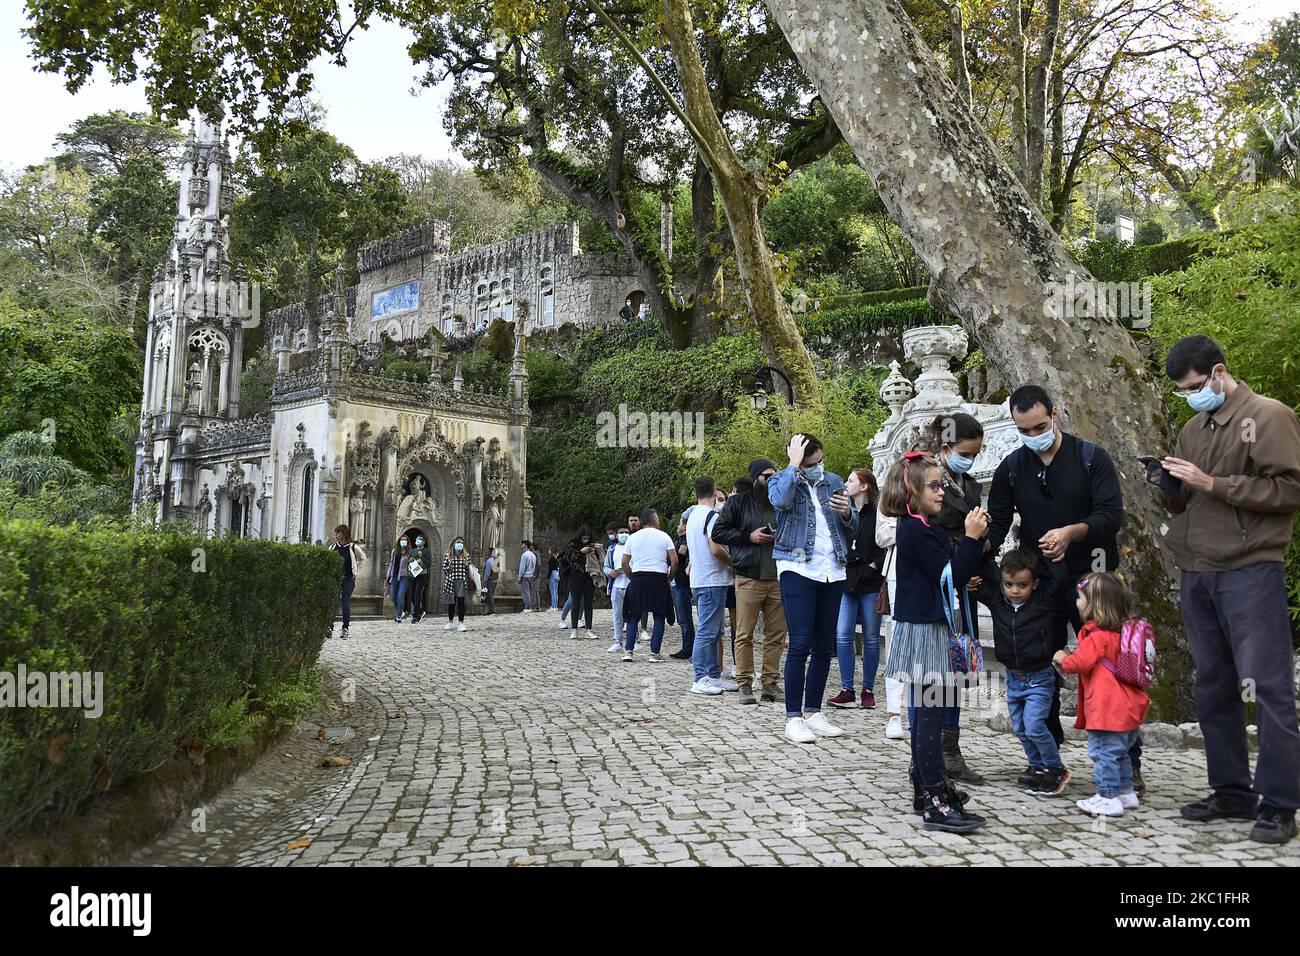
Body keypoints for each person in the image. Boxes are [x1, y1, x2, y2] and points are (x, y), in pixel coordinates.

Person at [1155, 334, 1300, 843]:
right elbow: (1185, 500)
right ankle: (1232, 791)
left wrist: (1212, 483)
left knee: (1266, 685)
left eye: (1195, 386)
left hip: (1250, 569)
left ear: (1219, 372)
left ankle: (1281, 804)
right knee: (1213, 685)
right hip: (1198, 570)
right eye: (1183, 391)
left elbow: (1290, 489)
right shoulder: (1193, 428)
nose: (1191, 395)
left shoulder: (1268, 414)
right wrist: (1170, 485)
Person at [985, 385, 1137, 786]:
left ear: (1055, 413)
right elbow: (999, 524)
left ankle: (1127, 761)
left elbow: (1111, 514)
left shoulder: (1091, 458)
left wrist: (1073, 532)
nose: (1034, 434)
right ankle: (1047, 758)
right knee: (1040, 667)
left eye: (1040, 425)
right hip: (1044, 585)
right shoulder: (1012, 468)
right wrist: (973, 553)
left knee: (1110, 667)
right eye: (1024, 429)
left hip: (1093, 580)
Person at [881, 451, 989, 833]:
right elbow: (951, 576)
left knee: (932, 714)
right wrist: (973, 539)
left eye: (941, 484)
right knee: (929, 717)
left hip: (932, 628)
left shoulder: (925, 527)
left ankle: (928, 787)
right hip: (926, 632)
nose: (942, 492)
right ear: (911, 490)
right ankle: (933, 799)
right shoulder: (915, 530)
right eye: (934, 485)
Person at [767, 434, 858, 744]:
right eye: (811, 464)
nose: (818, 467)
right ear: (798, 462)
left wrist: (848, 512)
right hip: (797, 567)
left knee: (824, 644)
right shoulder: (782, 480)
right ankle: (793, 717)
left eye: (820, 461)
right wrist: (793, 467)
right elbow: (780, 502)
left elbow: (852, 526)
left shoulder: (832, 480)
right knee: (801, 642)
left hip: (833, 568)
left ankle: (813, 712)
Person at [921, 413, 996, 786]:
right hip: (937, 585)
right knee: (933, 675)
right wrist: (958, 567)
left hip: (964, 581)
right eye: (966, 453)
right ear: (946, 448)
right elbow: (931, 536)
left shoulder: (969, 484)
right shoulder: (927, 482)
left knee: (955, 670)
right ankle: (930, 753)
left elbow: (981, 528)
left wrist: (979, 552)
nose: (971, 460)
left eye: (976, 454)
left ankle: (951, 749)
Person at [974, 549, 1070, 794]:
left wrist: (1054, 556)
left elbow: (1060, 581)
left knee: (1035, 725)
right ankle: (1037, 768)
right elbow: (978, 583)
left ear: (1035, 584)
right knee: (1020, 728)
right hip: (1014, 678)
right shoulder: (998, 602)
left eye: (1022, 585)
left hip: (1040, 677)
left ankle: (1055, 768)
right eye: (1009, 584)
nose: (1015, 590)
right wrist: (971, 578)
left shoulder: (1043, 602)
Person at [1053, 572, 1149, 818]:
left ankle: (1107, 797)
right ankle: (1126, 792)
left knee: (1103, 753)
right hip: (1128, 707)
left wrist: (1062, 657)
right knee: (1122, 753)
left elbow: (1079, 664)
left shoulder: (1097, 636)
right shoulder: (1121, 634)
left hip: (1107, 709)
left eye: (1080, 598)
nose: (1076, 602)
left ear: (1094, 605)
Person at [712, 459, 788, 705]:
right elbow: (718, 532)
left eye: (775, 476)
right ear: (755, 478)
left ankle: (770, 684)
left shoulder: (782, 503)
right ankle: (744, 683)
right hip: (748, 576)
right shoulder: (738, 502)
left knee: (776, 635)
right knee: (744, 634)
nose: (771, 480)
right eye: (767, 476)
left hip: (778, 577)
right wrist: (748, 536)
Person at [828, 467, 886, 711]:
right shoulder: (844, 512)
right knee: (843, 634)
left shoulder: (879, 512)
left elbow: (887, 543)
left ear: (864, 486)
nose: (845, 483)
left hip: (870, 581)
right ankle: (847, 688)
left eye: (851, 480)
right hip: (846, 579)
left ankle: (868, 689)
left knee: (871, 637)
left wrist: (874, 566)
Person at [687, 477, 738, 696]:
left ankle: (714, 675)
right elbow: (716, 549)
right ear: (715, 491)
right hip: (712, 579)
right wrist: (734, 563)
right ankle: (700, 678)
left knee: (715, 631)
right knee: (708, 631)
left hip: (701, 579)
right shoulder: (711, 517)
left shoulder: (691, 516)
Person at [620, 509, 679, 662]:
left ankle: (628, 651)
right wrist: (669, 577)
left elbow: (624, 562)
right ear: (654, 520)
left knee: (633, 616)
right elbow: (675, 561)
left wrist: (632, 577)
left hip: (638, 578)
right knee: (659, 616)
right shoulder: (664, 536)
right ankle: (654, 653)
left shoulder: (633, 538)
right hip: (658, 578)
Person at [563, 526, 603, 639]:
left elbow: (599, 559)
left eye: (587, 537)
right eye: (584, 537)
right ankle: (574, 629)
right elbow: (569, 558)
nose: (585, 539)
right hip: (575, 575)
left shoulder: (592, 545)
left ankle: (588, 629)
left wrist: (595, 551)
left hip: (589, 575)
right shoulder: (573, 544)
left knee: (588, 604)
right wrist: (580, 552)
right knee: (575, 603)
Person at [330, 525, 366, 639]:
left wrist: (356, 571)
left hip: (348, 578)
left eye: (339, 533)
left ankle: (345, 628)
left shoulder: (353, 547)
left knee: (345, 603)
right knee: (333, 603)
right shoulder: (332, 547)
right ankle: (329, 627)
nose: (337, 535)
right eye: (336, 533)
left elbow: (362, 558)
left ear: (345, 534)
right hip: (335, 579)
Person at [668, 515, 696, 660]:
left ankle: (688, 649)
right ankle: (687, 647)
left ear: (685, 526)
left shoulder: (687, 541)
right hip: (676, 583)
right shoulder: (679, 541)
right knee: (682, 618)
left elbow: (680, 555)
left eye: (680, 523)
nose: (678, 525)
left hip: (683, 584)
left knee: (685, 618)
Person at [605, 525, 632, 652]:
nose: (624, 535)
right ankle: (618, 641)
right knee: (617, 615)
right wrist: (610, 572)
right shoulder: (611, 549)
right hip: (616, 585)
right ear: (616, 534)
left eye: (626, 532)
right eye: (621, 532)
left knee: (632, 614)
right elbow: (605, 566)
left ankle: (634, 640)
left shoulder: (633, 548)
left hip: (631, 585)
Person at [442, 537, 472, 632]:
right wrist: (448, 568)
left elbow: (469, 571)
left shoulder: (466, 556)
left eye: (461, 543)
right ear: (454, 544)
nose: (460, 544)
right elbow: (444, 569)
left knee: (461, 602)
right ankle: (450, 622)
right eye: (458, 542)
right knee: (451, 602)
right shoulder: (448, 556)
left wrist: (467, 566)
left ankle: (461, 623)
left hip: (462, 581)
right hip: (451, 581)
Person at [386, 534, 413, 623]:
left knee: (400, 595)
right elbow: (391, 563)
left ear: (407, 542)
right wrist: (388, 574)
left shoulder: (410, 552)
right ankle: (400, 611)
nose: (403, 541)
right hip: (394, 575)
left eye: (405, 540)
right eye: (402, 540)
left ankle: (398, 616)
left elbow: (413, 563)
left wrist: (411, 560)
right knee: (393, 596)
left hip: (404, 576)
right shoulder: (395, 551)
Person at [408, 533, 432, 623]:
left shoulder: (426, 551)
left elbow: (428, 563)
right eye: (417, 539)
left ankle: (415, 615)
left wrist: (422, 557)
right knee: (412, 595)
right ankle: (420, 611)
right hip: (413, 574)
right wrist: (410, 559)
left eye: (421, 539)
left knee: (418, 593)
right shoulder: (413, 550)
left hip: (422, 574)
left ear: (424, 541)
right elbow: (409, 560)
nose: (419, 540)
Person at [518, 540, 538, 613]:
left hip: (525, 575)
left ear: (526, 545)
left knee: (526, 592)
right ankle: (531, 606)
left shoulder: (524, 555)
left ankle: (527, 606)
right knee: (530, 591)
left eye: (522, 545)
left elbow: (522, 567)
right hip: (531, 575)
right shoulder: (533, 555)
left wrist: (519, 576)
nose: (521, 546)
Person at [483, 548, 499, 614]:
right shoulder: (497, 560)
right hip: (495, 579)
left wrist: (484, 580)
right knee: (491, 595)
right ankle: (490, 609)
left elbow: (487, 572)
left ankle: (491, 610)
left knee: (490, 596)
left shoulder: (489, 561)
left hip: (490, 580)